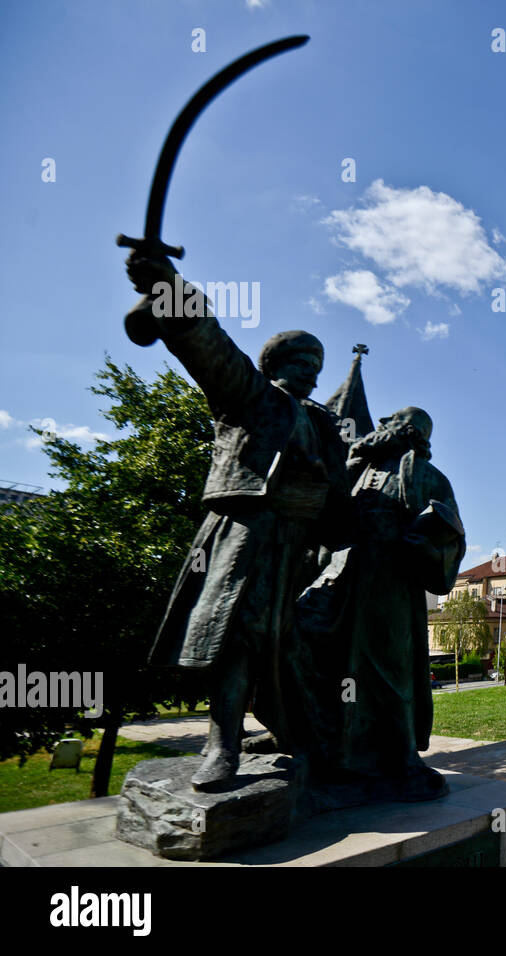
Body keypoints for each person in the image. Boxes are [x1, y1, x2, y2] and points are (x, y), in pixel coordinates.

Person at [124, 252, 352, 790]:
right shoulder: (251, 397)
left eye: (317, 367)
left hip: (299, 545)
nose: (312, 374)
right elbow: (208, 345)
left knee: (291, 644)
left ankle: (300, 739)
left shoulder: (323, 422)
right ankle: (220, 745)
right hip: (246, 531)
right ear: (272, 365)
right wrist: (169, 287)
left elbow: (341, 491)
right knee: (238, 634)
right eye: (302, 363)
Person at [297, 407, 465, 799]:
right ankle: (323, 748)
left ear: (407, 432)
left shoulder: (428, 477)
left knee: (390, 674)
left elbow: (452, 540)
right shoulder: (357, 468)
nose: (380, 427)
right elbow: (325, 512)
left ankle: (403, 759)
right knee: (315, 653)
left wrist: (426, 548)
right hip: (340, 577)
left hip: (390, 586)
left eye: (390, 424)